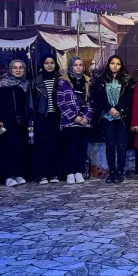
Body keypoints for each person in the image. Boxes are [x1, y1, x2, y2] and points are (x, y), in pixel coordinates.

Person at [93, 55, 135, 184]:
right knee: (110, 145)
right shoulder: (101, 80)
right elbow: (97, 98)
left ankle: (120, 172)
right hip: (107, 117)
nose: (115, 66)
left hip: (121, 117)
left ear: (121, 66)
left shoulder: (127, 80)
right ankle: (112, 172)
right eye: (112, 63)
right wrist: (109, 108)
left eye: (118, 63)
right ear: (109, 64)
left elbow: (129, 97)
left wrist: (117, 108)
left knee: (121, 145)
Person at [0, 59, 31, 187]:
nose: (18, 70)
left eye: (21, 67)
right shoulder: (2, 84)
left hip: (21, 122)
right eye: (15, 67)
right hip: (5, 122)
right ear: (10, 69)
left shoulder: (26, 84)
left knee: (20, 148)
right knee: (6, 148)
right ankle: (7, 176)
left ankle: (18, 173)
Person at [57, 56, 94, 185]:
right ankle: (70, 172)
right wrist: (74, 117)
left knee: (82, 148)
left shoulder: (88, 81)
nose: (78, 67)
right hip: (69, 121)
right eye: (75, 65)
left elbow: (91, 101)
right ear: (71, 66)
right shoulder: (63, 81)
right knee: (70, 148)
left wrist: (87, 117)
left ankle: (79, 171)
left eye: (80, 65)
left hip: (84, 122)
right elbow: (61, 102)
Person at [30, 54, 61, 185]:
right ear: (42, 65)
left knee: (55, 146)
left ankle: (54, 173)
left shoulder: (60, 79)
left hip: (56, 117)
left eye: (52, 63)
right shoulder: (35, 81)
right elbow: (31, 102)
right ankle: (42, 175)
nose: (49, 65)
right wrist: (31, 120)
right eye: (46, 63)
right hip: (41, 117)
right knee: (41, 147)